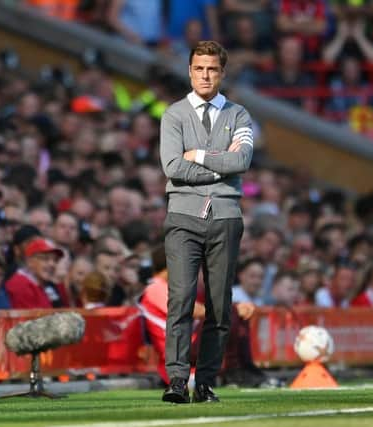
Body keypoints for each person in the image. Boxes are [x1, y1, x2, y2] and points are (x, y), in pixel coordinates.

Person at [159, 40, 253, 404]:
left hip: (226, 217)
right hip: (182, 216)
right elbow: (172, 167)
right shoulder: (173, 115)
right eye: (199, 68)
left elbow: (241, 162)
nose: (205, 75)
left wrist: (197, 156)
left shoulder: (239, 115)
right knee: (180, 299)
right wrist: (218, 169)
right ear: (189, 71)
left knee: (219, 305)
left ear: (222, 73)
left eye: (212, 69)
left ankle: (206, 382)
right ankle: (178, 380)